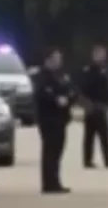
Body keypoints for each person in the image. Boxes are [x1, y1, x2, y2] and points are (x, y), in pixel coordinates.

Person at [33, 48, 77, 194]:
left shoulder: (62, 75)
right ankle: (48, 184)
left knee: (58, 151)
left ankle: (55, 181)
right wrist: (56, 99)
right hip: (48, 119)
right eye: (56, 58)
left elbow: (72, 91)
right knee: (50, 151)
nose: (59, 61)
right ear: (48, 60)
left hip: (61, 118)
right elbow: (42, 94)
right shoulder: (41, 76)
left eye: (60, 58)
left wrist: (68, 99)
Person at [78, 44, 108, 170]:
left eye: (103, 54)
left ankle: (97, 159)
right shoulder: (89, 70)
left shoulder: (104, 68)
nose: (102, 56)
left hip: (102, 105)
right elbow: (85, 87)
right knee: (94, 135)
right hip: (93, 105)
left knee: (100, 134)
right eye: (99, 54)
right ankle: (100, 160)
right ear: (94, 55)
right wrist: (88, 104)